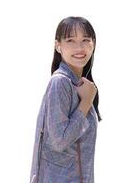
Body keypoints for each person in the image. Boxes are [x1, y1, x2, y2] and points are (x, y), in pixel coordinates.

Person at [29, 16, 102, 183]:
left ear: (93, 44)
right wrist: (86, 102)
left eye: (85, 39)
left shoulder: (79, 84)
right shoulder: (60, 82)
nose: (79, 47)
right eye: (70, 40)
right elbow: (59, 141)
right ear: (58, 46)